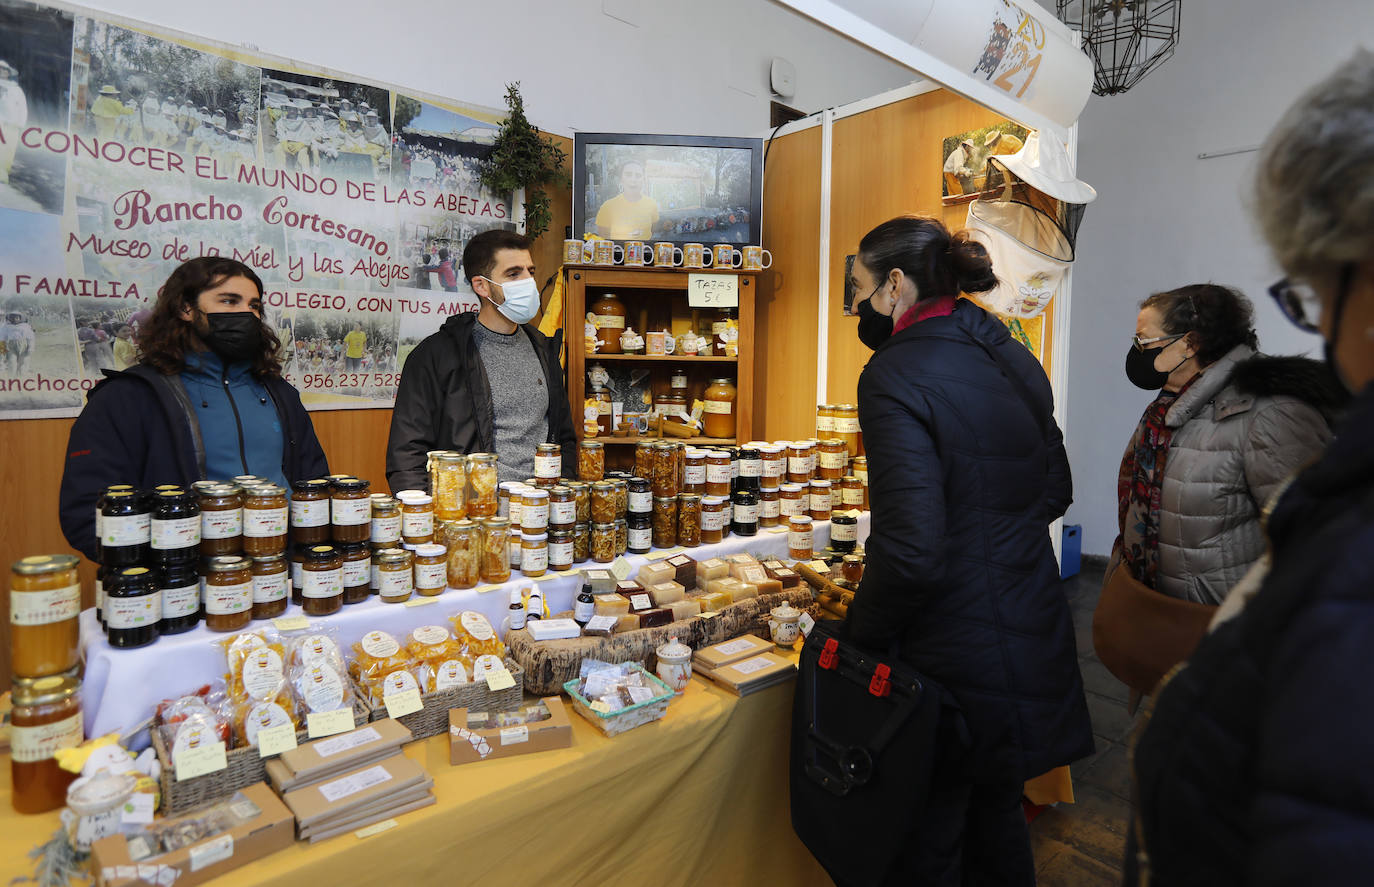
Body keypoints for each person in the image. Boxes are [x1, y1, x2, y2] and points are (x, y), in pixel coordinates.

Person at [1129, 50, 1374, 885]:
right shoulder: (1169, 402)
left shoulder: (1271, 415)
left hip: (1205, 628)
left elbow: (1288, 540)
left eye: (1315, 293)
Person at [842, 215, 1091, 885]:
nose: (860, 305)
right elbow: (1055, 488)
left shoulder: (893, 373)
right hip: (1029, 622)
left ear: (895, 285)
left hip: (951, 654)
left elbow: (913, 551)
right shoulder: (1008, 353)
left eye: (862, 288)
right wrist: (990, 536)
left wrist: (857, 638)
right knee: (997, 819)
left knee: (930, 837)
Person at [59, 257, 328, 561]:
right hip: (183, 587)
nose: (246, 314)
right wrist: (173, 568)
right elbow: (89, 513)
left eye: (254, 305)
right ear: (185, 308)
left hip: (279, 575)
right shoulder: (128, 398)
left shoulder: (279, 393)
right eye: (229, 300)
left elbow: (314, 484)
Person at [386, 229, 577, 490]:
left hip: (541, 511)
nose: (528, 282)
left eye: (530, 272)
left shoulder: (543, 348)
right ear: (481, 285)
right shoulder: (435, 356)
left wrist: (562, 493)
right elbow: (406, 454)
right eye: (513, 274)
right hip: (475, 515)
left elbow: (564, 438)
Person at [594, 159, 658, 239]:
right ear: (621, 179)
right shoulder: (607, 206)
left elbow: (654, 229)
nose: (633, 180)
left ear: (643, 180)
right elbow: (603, 239)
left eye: (638, 176)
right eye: (628, 174)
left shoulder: (651, 204)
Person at [0, 62, 26, 186]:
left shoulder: (16, 89)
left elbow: (22, 107)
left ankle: (3, 174)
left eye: (5, 70)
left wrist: (20, 123)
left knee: (8, 150)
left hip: (11, 123)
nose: (2, 71)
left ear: (8, 73)